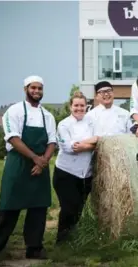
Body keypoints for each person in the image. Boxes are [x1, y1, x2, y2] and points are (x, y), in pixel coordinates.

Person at [0, 75, 56, 259]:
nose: (36, 91)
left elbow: (52, 141)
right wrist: (35, 158)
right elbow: (13, 138)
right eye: (33, 88)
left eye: (40, 88)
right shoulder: (14, 111)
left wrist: (43, 162)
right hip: (18, 164)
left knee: (38, 208)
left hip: (40, 165)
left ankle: (34, 248)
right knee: (9, 206)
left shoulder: (47, 115)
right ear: (25, 89)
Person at [53, 91, 99, 244]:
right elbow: (69, 147)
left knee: (79, 208)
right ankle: (62, 240)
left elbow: (99, 140)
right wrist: (91, 143)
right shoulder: (64, 124)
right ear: (70, 107)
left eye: (82, 105)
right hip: (66, 173)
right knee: (68, 207)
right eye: (76, 105)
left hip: (86, 174)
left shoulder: (92, 122)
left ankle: (73, 238)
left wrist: (84, 143)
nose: (79, 108)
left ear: (86, 106)